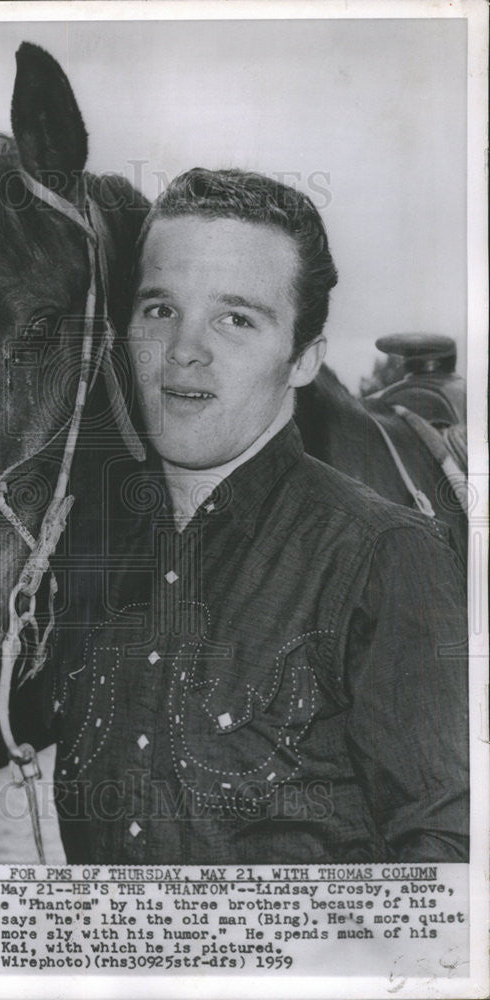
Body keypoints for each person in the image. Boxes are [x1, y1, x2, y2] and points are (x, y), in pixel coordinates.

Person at [47, 168, 468, 864]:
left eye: (235, 318)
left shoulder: (384, 558)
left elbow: (449, 862)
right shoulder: (87, 550)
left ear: (303, 360)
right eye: (159, 309)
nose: (185, 349)